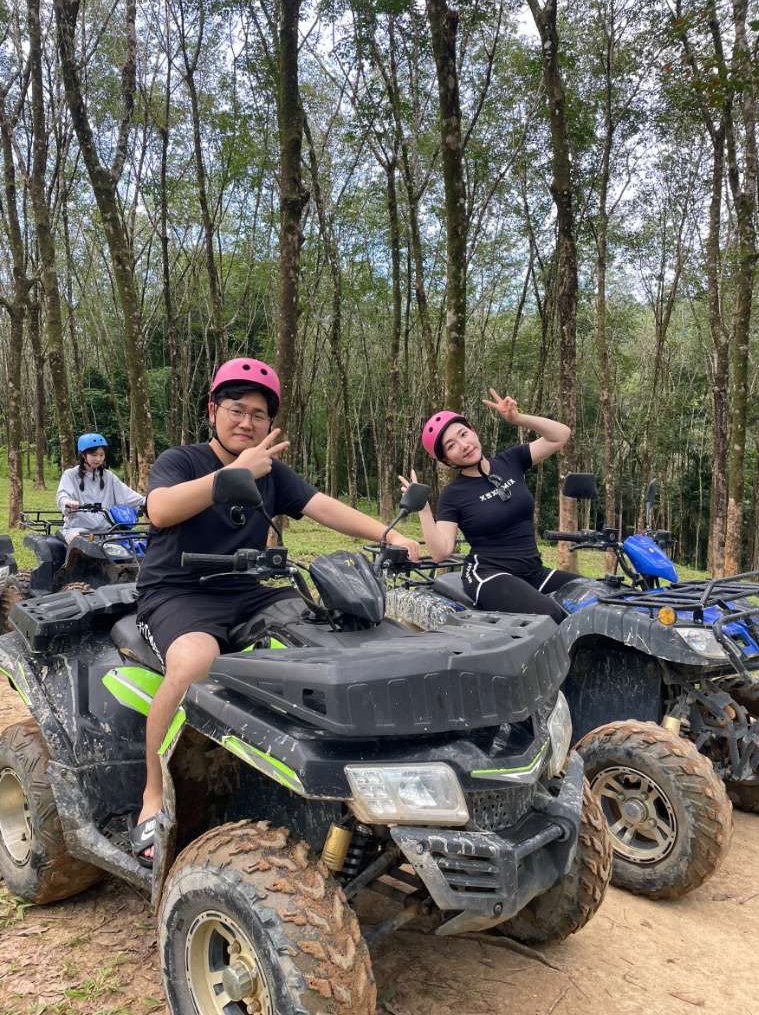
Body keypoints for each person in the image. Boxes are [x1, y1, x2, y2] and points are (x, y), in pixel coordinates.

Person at [131, 357, 420, 864]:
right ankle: (153, 794)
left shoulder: (272, 473)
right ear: (212, 411)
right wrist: (232, 475)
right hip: (177, 592)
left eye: (258, 415)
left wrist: (389, 535)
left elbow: (322, 506)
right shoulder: (183, 460)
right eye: (236, 410)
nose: (246, 422)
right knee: (195, 661)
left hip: (249, 591)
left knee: (328, 638)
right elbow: (161, 508)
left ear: (270, 423)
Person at [401, 389, 580, 621]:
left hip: (533, 572)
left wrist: (518, 419)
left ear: (473, 431)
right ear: (446, 460)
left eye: (463, 434)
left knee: (597, 596)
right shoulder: (452, 495)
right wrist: (424, 510)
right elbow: (441, 551)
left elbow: (561, 435)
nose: (463, 445)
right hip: (488, 575)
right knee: (551, 615)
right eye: (451, 445)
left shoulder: (511, 461)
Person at [56, 433, 145, 544]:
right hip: (78, 529)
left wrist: (148, 501)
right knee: (81, 544)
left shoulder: (108, 476)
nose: (98, 459)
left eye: (101, 455)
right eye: (94, 455)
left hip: (107, 531)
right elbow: (62, 496)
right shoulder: (70, 475)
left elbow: (128, 496)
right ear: (83, 455)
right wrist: (68, 503)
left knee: (131, 546)